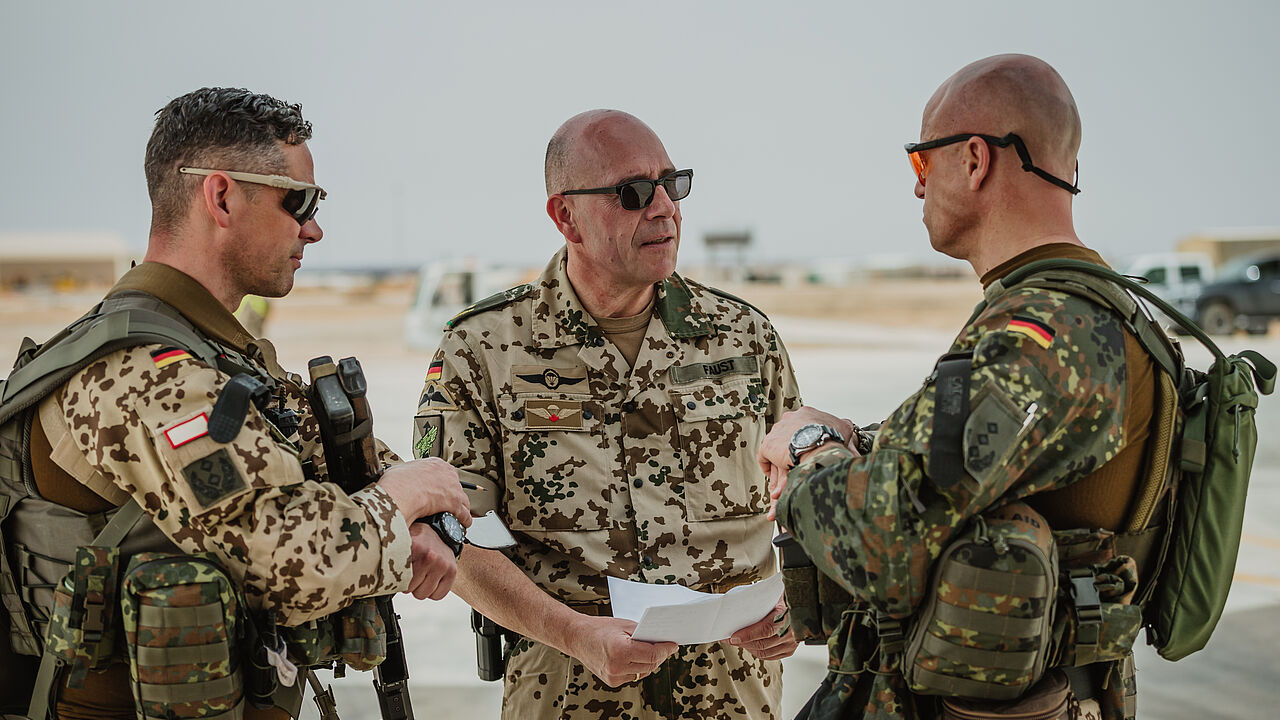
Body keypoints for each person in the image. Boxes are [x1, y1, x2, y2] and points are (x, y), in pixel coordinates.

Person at [0, 87, 471, 719]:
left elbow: (342, 464)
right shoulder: (145, 373)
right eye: (297, 200)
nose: (314, 227)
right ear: (220, 196)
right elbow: (288, 561)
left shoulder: (215, 355)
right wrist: (410, 497)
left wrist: (417, 501)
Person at [758, 54, 1157, 720]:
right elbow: (971, 453)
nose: (917, 188)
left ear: (974, 160)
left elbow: (879, 541)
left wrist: (810, 451)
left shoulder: (1045, 335)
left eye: (922, 163)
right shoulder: (1102, 312)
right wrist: (858, 436)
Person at [414, 109, 802, 719]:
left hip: (732, 694)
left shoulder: (744, 336)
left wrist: (800, 606)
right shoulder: (485, 347)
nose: (664, 208)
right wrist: (574, 634)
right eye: (632, 193)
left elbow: (800, 494)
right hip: (568, 693)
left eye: (672, 185)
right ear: (565, 216)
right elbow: (450, 534)